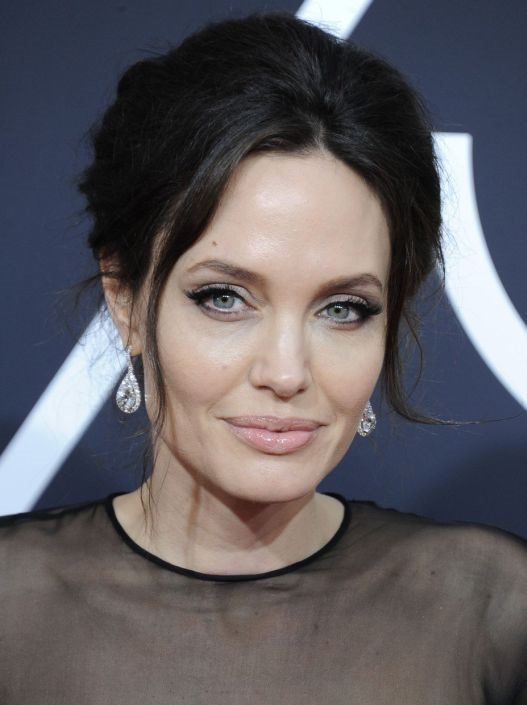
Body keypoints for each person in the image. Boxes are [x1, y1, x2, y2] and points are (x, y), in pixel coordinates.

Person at [1, 12, 526, 704]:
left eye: (343, 308)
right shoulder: (12, 608)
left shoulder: (492, 613)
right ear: (125, 300)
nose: (285, 372)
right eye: (224, 298)